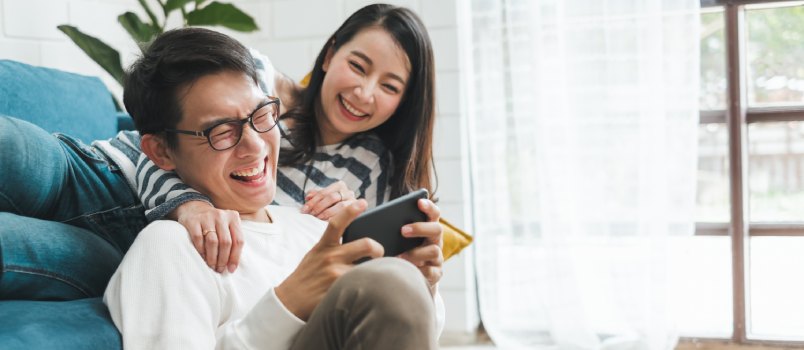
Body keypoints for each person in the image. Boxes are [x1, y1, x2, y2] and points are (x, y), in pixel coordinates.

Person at [103, 26, 444, 349]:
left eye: (262, 115)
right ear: (161, 151)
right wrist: (289, 302)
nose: (255, 145)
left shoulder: (315, 226)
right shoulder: (170, 246)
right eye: (222, 131)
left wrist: (424, 283)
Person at [134, 3, 438, 274]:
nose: (364, 93)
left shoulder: (371, 164)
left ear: (404, 102)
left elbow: (349, 271)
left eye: (390, 87)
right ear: (330, 55)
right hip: (133, 197)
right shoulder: (261, 88)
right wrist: (188, 205)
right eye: (357, 67)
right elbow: (141, 152)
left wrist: (339, 226)